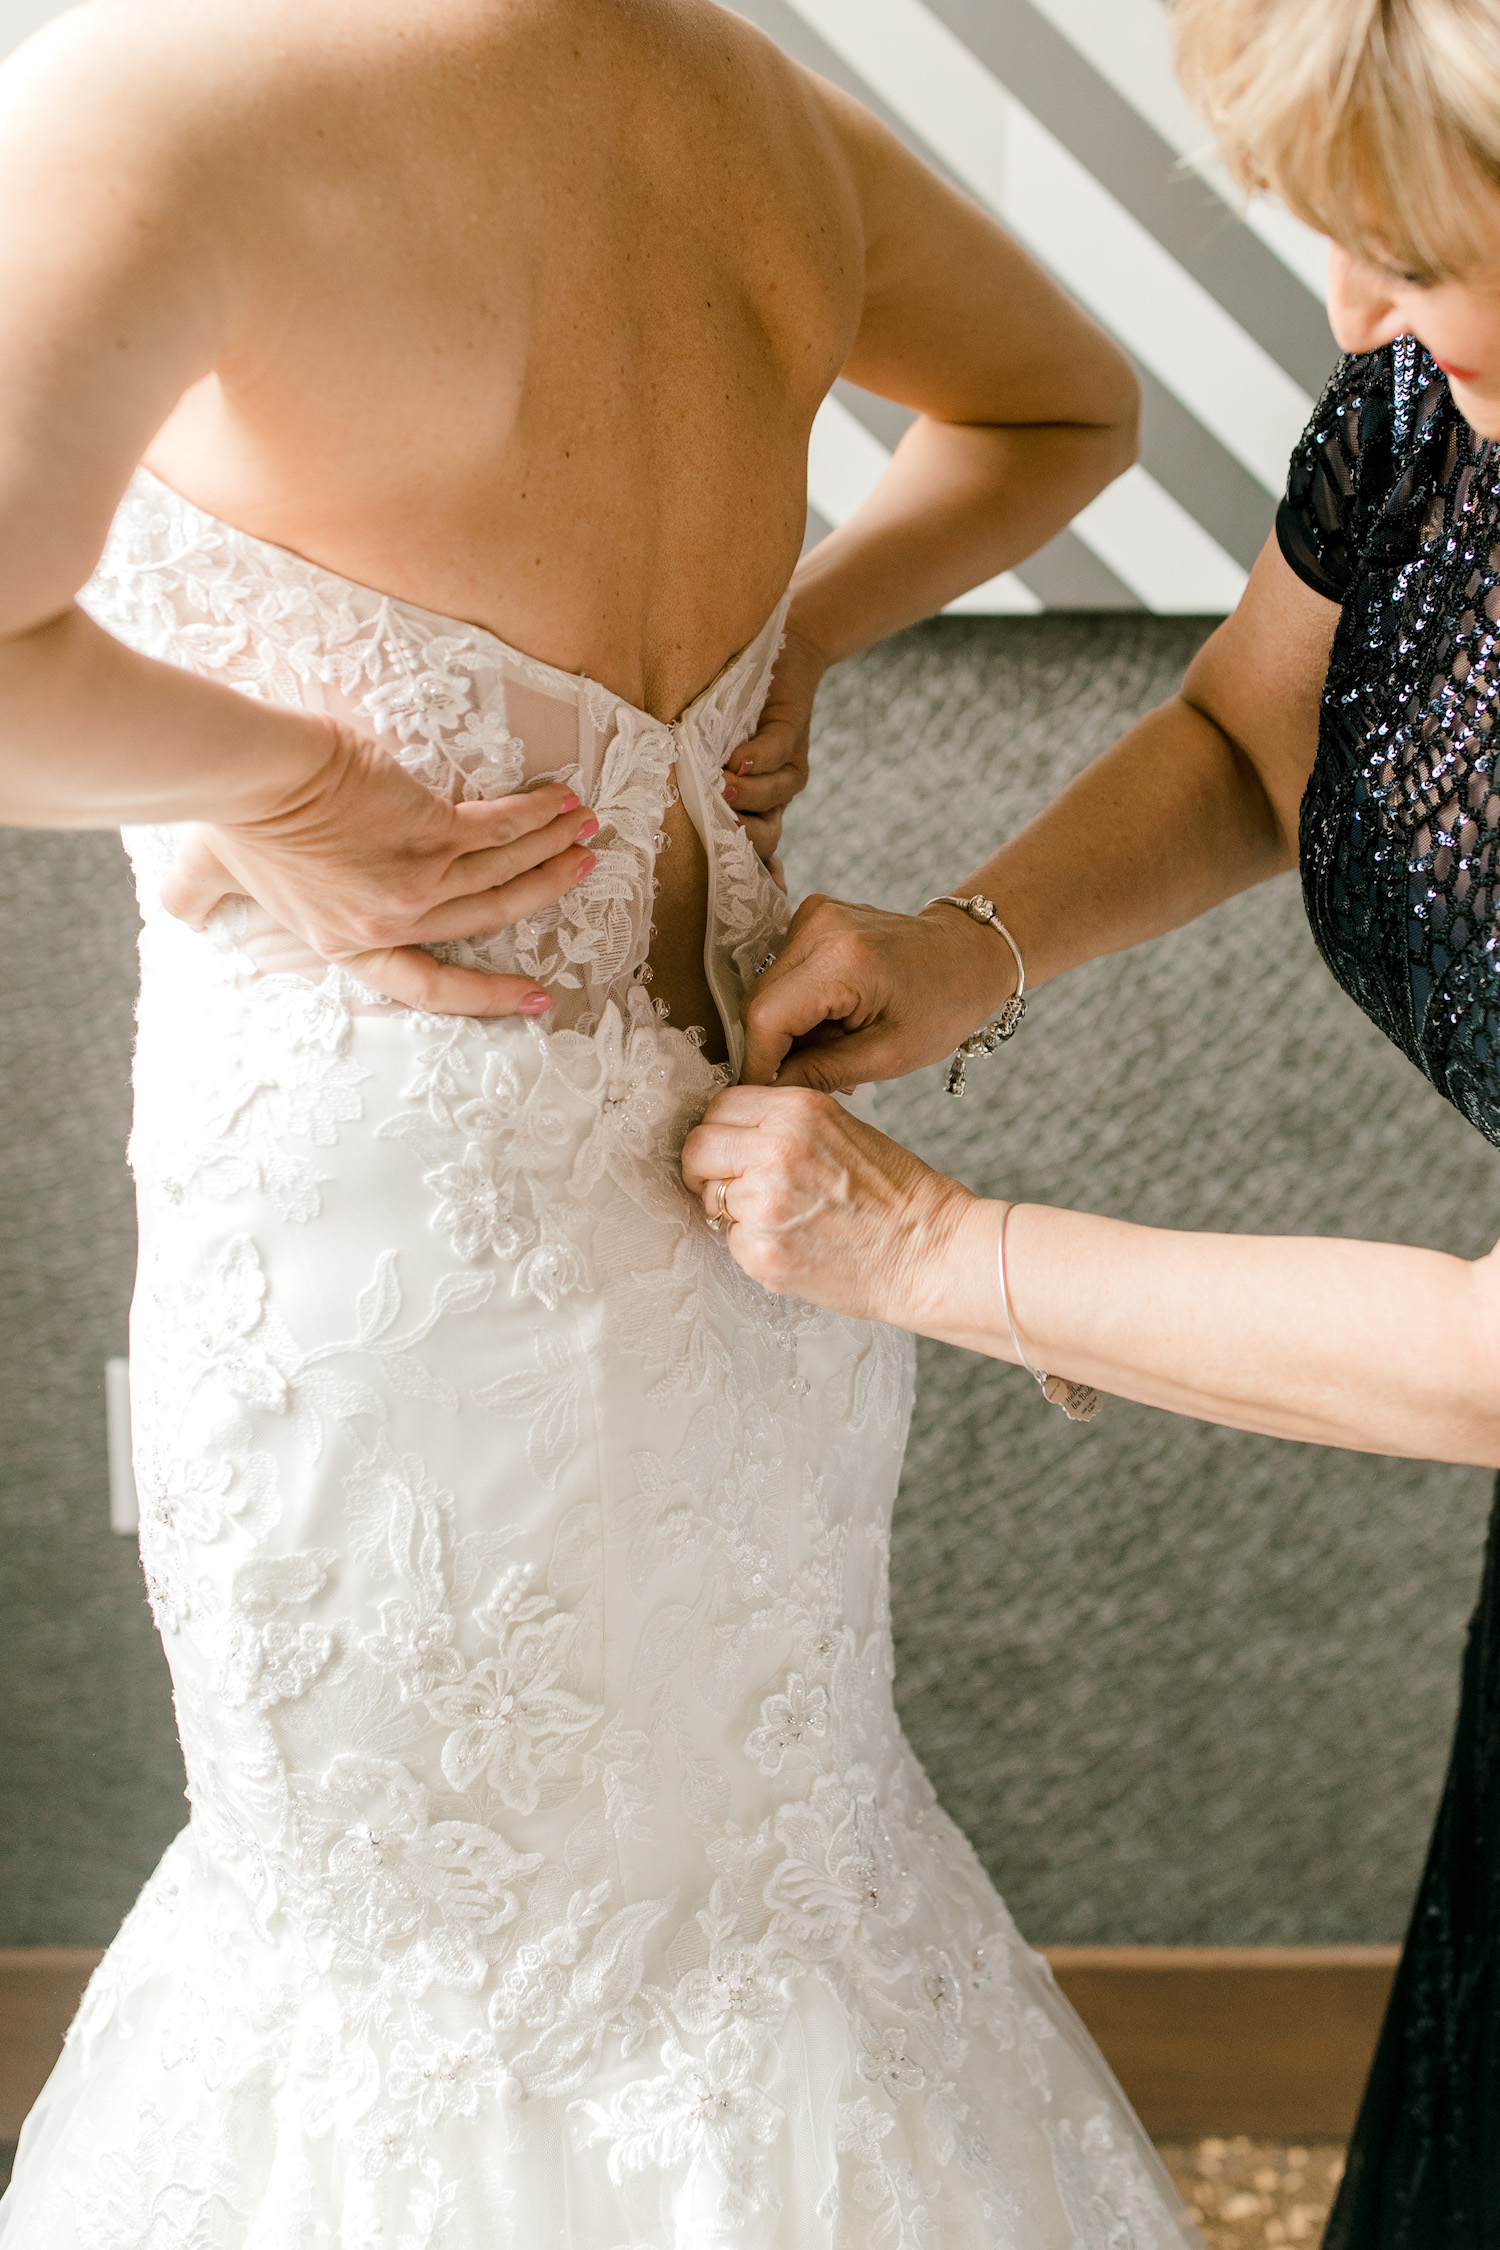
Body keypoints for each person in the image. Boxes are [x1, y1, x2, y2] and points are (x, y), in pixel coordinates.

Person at [0, 0, 1203, 2242]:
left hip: (385, 1246)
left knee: (404, 1956)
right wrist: (804, 635)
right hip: (746, 1180)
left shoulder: (152, 95)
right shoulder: (746, 97)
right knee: (751, 1894)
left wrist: (286, 784)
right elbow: (1072, 404)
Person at [683, 0, 1500, 2237]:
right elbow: (1258, 740)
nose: (1354, 314)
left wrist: (936, 1255)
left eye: (1419, 254)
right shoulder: (1434, 411)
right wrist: (973, 948)